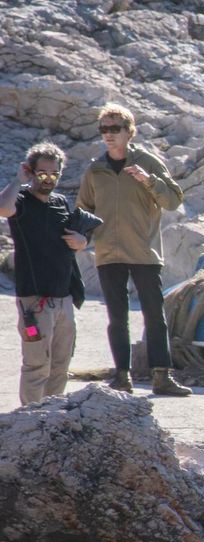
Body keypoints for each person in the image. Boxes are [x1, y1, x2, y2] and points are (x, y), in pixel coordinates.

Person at [77, 103, 190, 396]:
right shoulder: (95, 169)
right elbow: (83, 209)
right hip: (108, 253)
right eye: (104, 129)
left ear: (130, 131)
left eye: (115, 128)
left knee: (154, 316)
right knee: (117, 318)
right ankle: (121, 377)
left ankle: (162, 377)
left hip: (144, 252)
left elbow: (173, 201)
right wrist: (82, 237)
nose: (108, 134)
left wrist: (148, 180)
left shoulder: (148, 162)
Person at [0, 143, 100, 404]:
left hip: (64, 298)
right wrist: (18, 180)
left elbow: (73, 238)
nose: (48, 179)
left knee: (60, 366)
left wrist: (82, 241)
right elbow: (3, 209)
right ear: (31, 171)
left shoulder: (61, 202)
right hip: (35, 300)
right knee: (37, 366)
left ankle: (52, 419)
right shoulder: (21, 200)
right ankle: (31, 418)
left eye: (54, 174)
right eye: (42, 173)